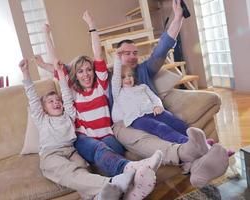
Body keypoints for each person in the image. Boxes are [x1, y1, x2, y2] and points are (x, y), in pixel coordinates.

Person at [35, 0, 229, 189]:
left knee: (171, 125)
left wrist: (177, 18)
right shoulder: (108, 78)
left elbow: (163, 47)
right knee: (143, 139)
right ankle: (177, 158)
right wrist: (48, 57)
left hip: (145, 116)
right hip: (123, 124)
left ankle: (198, 162)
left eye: (135, 52)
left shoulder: (144, 70)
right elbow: (71, 68)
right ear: (115, 56)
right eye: (125, 53)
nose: (132, 56)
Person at [40, 21, 164, 200]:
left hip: (108, 135)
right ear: (75, 75)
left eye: (89, 70)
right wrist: (46, 33)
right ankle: (134, 169)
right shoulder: (72, 92)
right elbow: (56, 63)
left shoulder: (101, 85)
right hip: (84, 139)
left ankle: (129, 189)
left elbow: (97, 52)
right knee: (98, 148)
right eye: (81, 71)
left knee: (110, 148)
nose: (86, 74)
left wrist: (91, 25)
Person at [19, 58, 137, 200]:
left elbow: (66, 93)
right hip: (51, 154)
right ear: (43, 109)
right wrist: (26, 73)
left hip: (71, 151)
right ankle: (111, 183)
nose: (56, 103)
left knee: (84, 169)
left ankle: (99, 197)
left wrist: (61, 74)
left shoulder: (69, 115)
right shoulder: (42, 119)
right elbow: (32, 97)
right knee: (70, 173)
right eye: (50, 102)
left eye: (58, 101)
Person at [111, 56, 235, 158]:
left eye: (130, 75)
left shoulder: (143, 87)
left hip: (154, 111)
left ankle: (206, 144)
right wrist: (117, 59)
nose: (128, 79)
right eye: (123, 77)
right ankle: (194, 145)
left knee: (176, 122)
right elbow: (116, 77)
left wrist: (158, 106)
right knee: (161, 128)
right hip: (137, 119)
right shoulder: (118, 92)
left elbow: (154, 98)